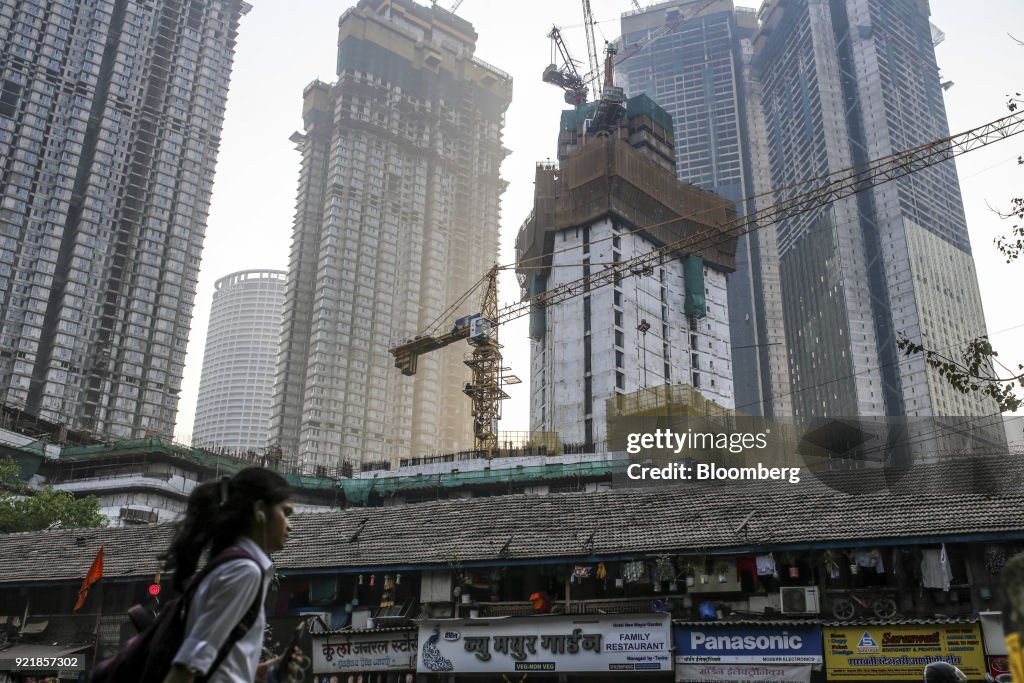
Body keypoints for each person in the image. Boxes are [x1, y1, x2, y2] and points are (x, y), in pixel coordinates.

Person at [159, 467, 305, 683]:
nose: (289, 525)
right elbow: (187, 666)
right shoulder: (244, 571)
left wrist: (259, 672)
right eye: (286, 512)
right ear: (260, 511)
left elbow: (213, 664)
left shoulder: (228, 564)